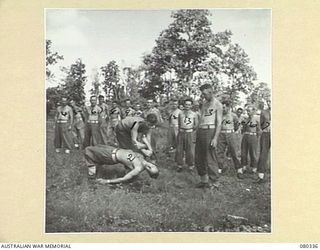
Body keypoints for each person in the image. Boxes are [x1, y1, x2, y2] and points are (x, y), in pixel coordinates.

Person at [84, 144, 159, 184]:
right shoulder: (144, 158)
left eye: (149, 169)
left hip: (110, 155)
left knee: (88, 151)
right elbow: (141, 144)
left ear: (148, 171)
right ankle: (97, 170)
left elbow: (124, 179)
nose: (149, 166)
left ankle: (92, 178)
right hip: (112, 149)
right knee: (96, 146)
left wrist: (107, 181)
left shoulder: (138, 169)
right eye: (152, 166)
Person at [194, 84, 222, 188]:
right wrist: (197, 132)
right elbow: (201, 118)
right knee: (198, 157)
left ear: (210, 92)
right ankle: (204, 180)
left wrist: (215, 138)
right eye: (202, 94)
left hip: (210, 131)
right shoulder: (204, 103)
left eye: (205, 94)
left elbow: (219, 123)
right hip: (201, 130)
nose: (203, 96)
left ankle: (215, 182)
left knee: (210, 157)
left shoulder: (217, 104)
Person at [216, 100, 243, 178]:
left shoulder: (233, 115)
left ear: (228, 107)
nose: (223, 109)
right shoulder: (219, 115)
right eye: (222, 107)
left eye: (225, 107)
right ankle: (219, 168)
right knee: (220, 151)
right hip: (221, 134)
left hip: (230, 133)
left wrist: (231, 132)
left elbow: (236, 125)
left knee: (234, 151)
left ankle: (239, 169)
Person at [176, 98, 198, 172]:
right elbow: (179, 124)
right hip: (181, 132)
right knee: (179, 149)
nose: (187, 106)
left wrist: (191, 130)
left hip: (190, 133)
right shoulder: (180, 113)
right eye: (186, 104)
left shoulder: (194, 114)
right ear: (184, 105)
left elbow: (196, 125)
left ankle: (191, 165)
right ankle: (180, 165)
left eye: (189, 105)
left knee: (190, 150)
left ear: (191, 105)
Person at [239, 105, 261, 175]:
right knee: (243, 152)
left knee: (253, 153)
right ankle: (244, 166)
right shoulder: (245, 119)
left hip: (253, 136)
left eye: (249, 111)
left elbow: (259, 130)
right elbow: (243, 129)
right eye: (247, 111)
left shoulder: (257, 119)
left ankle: (254, 167)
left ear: (253, 111)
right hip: (246, 136)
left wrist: (256, 137)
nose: (248, 112)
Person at [256, 99, 271, 183]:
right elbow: (262, 125)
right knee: (263, 154)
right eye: (268, 102)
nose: (269, 103)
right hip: (266, 134)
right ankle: (261, 176)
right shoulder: (264, 112)